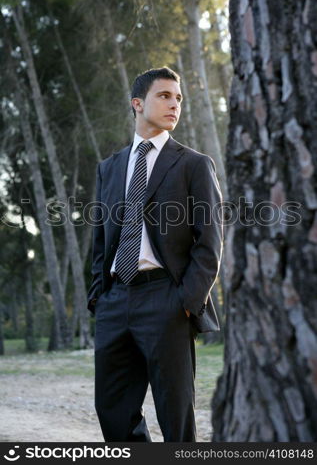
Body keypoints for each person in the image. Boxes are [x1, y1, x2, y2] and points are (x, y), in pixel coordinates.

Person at [87, 66, 223, 442]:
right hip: (115, 299)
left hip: (166, 299)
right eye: (164, 96)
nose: (174, 104)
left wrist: (186, 301)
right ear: (137, 103)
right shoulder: (109, 168)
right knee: (113, 409)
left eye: (178, 98)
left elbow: (210, 241)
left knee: (175, 414)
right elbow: (101, 238)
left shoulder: (194, 164)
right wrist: (100, 294)